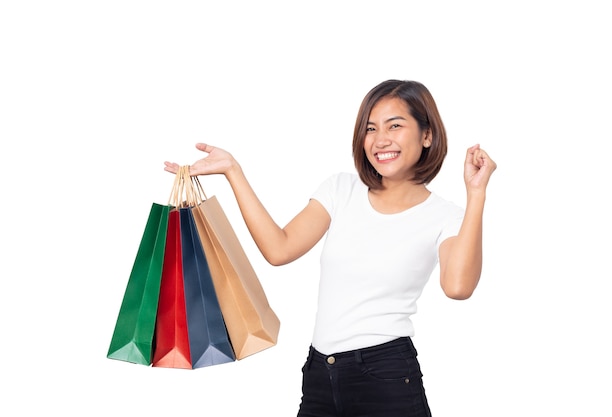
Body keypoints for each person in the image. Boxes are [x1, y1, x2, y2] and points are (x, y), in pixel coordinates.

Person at [164, 79, 497, 417]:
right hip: (320, 374)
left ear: (427, 135)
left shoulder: (446, 216)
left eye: (395, 125)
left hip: (386, 378)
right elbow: (279, 249)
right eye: (370, 128)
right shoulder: (341, 189)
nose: (381, 139)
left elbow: (458, 287)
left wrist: (477, 194)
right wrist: (233, 171)